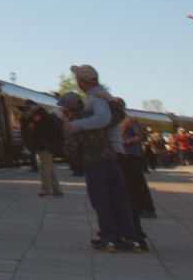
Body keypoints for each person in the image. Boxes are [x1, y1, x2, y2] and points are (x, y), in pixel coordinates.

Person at [59, 83, 142, 252]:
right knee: (120, 201)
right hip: (112, 161)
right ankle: (132, 239)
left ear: (68, 109)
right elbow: (119, 114)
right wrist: (110, 100)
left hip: (94, 165)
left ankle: (108, 239)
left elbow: (72, 151)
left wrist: (73, 155)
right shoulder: (95, 118)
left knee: (101, 202)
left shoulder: (75, 124)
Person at [115, 105, 157, 220]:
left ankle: (146, 208)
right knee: (128, 183)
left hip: (131, 155)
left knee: (137, 183)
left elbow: (142, 135)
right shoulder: (117, 120)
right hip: (123, 155)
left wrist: (127, 141)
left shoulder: (130, 120)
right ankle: (136, 207)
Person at [22, 105, 64, 197]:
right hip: (49, 145)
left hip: (44, 146)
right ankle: (56, 189)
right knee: (50, 168)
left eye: (27, 111)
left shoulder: (37, 118)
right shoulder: (45, 116)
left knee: (45, 167)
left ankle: (46, 189)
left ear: (31, 110)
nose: (26, 114)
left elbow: (34, 132)